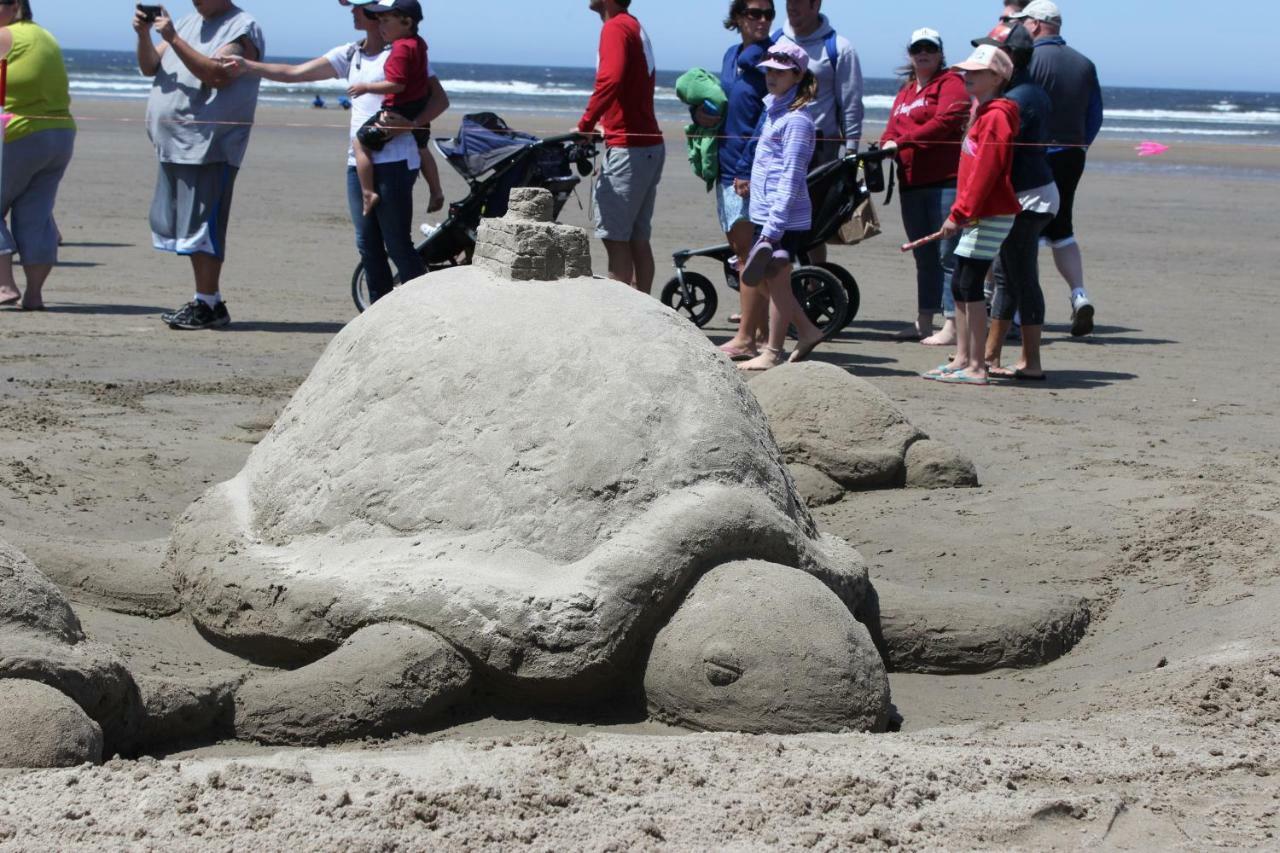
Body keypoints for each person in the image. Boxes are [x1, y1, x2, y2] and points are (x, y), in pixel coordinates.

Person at [225, 0, 449, 306]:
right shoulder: (351, 53)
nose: (353, 13)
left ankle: (427, 308)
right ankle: (378, 314)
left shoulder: (401, 50)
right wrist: (248, 67)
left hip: (396, 162)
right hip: (357, 163)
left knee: (397, 244)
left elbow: (439, 101)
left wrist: (410, 124)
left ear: (376, 15)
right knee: (367, 245)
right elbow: (294, 73)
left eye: (359, 9)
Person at [136, 0, 264, 330]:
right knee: (186, 230)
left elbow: (217, 75)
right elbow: (150, 66)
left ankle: (208, 303)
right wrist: (143, 35)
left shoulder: (241, 28)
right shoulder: (189, 22)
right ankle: (206, 299)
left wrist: (175, 38)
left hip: (209, 146)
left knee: (205, 229)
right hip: (175, 146)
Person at [922, 44, 1020, 387]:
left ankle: (978, 365)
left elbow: (986, 172)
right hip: (976, 212)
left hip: (990, 213)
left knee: (969, 283)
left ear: (997, 77)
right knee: (960, 282)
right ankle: (963, 357)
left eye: (976, 72)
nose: (967, 76)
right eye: (966, 71)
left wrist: (960, 212)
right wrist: (960, 210)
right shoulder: (985, 111)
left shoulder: (997, 116)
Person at [1012, 0, 1103, 337]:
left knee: (1026, 231)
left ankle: (1022, 311)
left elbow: (1019, 104)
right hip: (1071, 153)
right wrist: (1080, 144)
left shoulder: (1029, 58)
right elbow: (1095, 114)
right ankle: (1079, 294)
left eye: (1025, 23)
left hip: (1036, 154)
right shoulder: (1084, 62)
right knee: (1062, 228)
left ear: (1036, 25)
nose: (1021, 28)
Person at [735, 43, 827, 372]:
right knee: (767, 280)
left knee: (776, 280)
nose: (771, 76)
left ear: (797, 76)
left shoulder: (798, 121)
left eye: (780, 71)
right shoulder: (773, 111)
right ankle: (807, 329)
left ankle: (772, 352)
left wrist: (773, 229)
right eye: (769, 70)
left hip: (784, 219)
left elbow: (790, 178)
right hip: (765, 214)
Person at [880, 28, 968, 345]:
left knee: (948, 253)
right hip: (910, 182)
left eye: (930, 47)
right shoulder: (905, 92)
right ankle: (923, 321)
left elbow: (947, 121)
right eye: (918, 48)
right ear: (910, 53)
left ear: (940, 52)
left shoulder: (952, 83)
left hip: (945, 181)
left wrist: (900, 141)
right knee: (923, 255)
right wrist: (885, 143)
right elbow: (891, 128)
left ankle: (952, 324)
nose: (923, 53)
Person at [983, 25, 1057, 381]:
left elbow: (999, 158)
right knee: (1006, 275)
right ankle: (991, 354)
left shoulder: (1017, 98)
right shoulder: (1024, 91)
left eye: (995, 53)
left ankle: (1032, 361)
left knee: (1022, 276)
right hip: (1030, 193)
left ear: (1009, 57)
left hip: (1030, 198)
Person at [578, 0, 664, 295]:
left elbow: (610, 79)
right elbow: (626, 85)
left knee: (616, 239)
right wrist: (602, 122)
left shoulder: (616, 26)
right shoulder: (632, 25)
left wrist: (586, 124)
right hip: (645, 145)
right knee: (637, 238)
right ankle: (644, 310)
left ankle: (624, 315)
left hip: (631, 148)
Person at [775, 0, 863, 266]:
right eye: (789, 2)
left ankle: (814, 283)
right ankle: (784, 283)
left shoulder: (840, 48)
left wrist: (851, 152)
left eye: (799, 3)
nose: (792, 7)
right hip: (780, 143)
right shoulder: (776, 41)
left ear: (815, 5)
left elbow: (851, 103)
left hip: (821, 146)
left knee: (814, 221)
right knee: (779, 217)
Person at [0, 0, 75, 312]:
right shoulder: (45, 36)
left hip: (20, 131)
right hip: (60, 133)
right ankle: (34, 295)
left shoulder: (6, 34)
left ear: (15, 5)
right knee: (36, 214)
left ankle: (4, 286)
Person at [712, 0, 775, 361]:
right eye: (754, 13)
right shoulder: (730, 54)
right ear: (737, 17)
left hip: (748, 170)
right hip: (725, 165)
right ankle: (763, 335)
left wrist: (747, 169)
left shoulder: (773, 56)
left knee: (750, 256)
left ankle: (748, 338)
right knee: (741, 254)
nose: (762, 20)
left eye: (768, 13)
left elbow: (767, 119)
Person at [348, 0, 427, 216]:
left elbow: (397, 84)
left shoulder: (400, 49)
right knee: (423, 146)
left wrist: (366, 87)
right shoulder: (418, 43)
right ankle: (436, 190)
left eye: (385, 20)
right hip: (415, 108)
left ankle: (367, 192)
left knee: (359, 142)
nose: (380, 25)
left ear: (406, 21)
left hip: (397, 111)